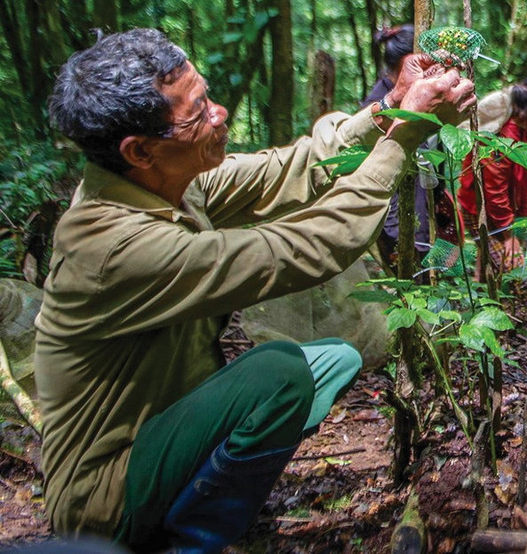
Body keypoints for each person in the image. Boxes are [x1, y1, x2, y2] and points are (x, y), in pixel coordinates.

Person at [36, 28, 474, 552]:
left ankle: (205, 494)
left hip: (167, 429)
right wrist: (404, 136)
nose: (219, 114)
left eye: (208, 97)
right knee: (278, 372)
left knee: (330, 360)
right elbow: (304, 248)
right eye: (197, 113)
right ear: (141, 150)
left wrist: (389, 106)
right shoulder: (112, 250)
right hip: (104, 496)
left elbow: (287, 169)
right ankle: (185, 541)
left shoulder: (155, 184)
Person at [362, 24, 458, 268]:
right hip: (399, 228)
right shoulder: (379, 108)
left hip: (426, 218)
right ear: (410, 62)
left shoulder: (426, 101)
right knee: (409, 284)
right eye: (431, 60)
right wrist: (401, 239)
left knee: (437, 277)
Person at [457, 76, 527, 275]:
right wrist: (508, 235)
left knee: (495, 270)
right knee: (515, 276)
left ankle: (482, 300)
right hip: (479, 209)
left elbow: (524, 178)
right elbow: (494, 189)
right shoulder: (503, 135)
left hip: (503, 215)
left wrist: (521, 217)